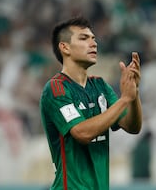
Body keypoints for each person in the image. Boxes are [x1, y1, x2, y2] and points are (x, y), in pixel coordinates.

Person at [39, 16, 142, 190]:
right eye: (84, 38)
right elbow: (81, 133)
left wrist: (133, 94)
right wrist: (124, 99)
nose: (93, 43)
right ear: (65, 47)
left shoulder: (100, 86)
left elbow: (132, 127)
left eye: (93, 39)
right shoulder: (56, 89)